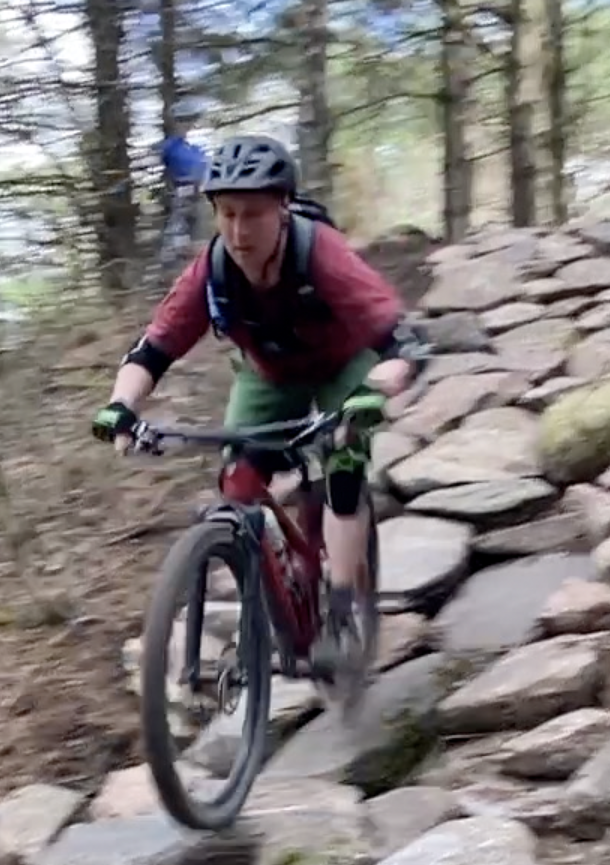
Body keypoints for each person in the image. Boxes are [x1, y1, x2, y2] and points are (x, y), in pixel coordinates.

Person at [90, 132, 425, 683]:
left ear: (283, 209)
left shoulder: (320, 252)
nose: (240, 232)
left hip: (344, 365)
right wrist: (121, 405)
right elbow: (152, 350)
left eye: (253, 215)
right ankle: (272, 598)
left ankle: (341, 608)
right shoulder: (213, 268)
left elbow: (400, 339)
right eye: (227, 214)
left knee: (342, 460)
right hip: (269, 375)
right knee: (238, 486)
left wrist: (379, 387)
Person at [155, 128, 207, 260]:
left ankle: (181, 252)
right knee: (182, 218)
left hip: (188, 187)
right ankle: (179, 252)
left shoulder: (189, 148)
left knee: (186, 219)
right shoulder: (182, 148)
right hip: (185, 187)